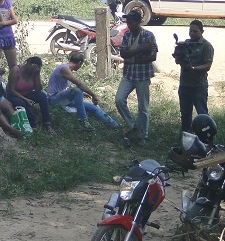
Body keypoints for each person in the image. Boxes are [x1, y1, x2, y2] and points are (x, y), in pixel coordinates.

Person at [115, 9, 158, 146]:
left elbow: (152, 57)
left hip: (142, 75)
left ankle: (143, 135)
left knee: (143, 107)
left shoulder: (148, 35)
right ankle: (132, 125)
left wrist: (132, 57)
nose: (129, 26)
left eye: (132, 23)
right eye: (128, 23)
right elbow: (123, 54)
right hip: (129, 74)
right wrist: (140, 50)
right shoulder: (127, 35)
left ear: (139, 22)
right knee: (119, 99)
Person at [47, 51, 119, 132]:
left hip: (63, 99)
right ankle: (83, 121)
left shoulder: (67, 69)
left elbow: (66, 88)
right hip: (53, 99)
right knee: (77, 90)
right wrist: (93, 95)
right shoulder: (64, 69)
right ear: (80, 63)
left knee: (93, 107)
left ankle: (114, 124)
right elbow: (79, 84)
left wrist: (82, 93)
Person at [176, 20, 214, 132]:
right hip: (185, 85)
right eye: (190, 31)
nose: (192, 33)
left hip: (198, 86)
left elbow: (207, 65)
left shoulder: (206, 46)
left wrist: (192, 68)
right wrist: (178, 55)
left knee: (202, 115)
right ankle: (186, 138)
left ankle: (206, 138)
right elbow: (178, 60)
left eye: (195, 31)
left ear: (202, 31)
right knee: (185, 115)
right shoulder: (185, 44)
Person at [6, 56, 57, 136]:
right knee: (22, 103)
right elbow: (11, 90)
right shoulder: (16, 70)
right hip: (14, 95)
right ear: (28, 63)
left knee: (42, 96)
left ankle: (47, 124)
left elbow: (38, 89)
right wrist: (25, 99)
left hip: (27, 94)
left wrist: (37, 75)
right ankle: (34, 122)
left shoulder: (34, 73)